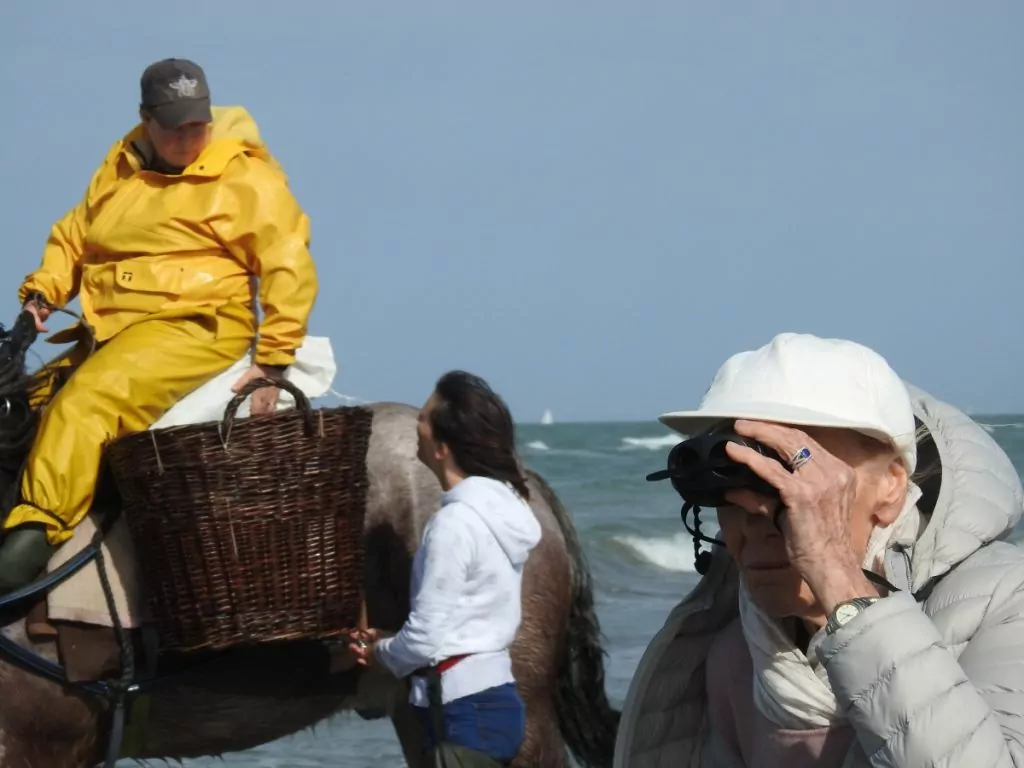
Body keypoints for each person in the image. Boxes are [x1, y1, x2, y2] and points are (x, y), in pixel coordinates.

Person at [614, 332, 1024, 767]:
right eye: (735, 479)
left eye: (796, 476)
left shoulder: (1004, 602)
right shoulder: (737, 654)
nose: (756, 516)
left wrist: (838, 580)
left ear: (890, 486)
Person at [0, 58, 317, 591]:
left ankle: (29, 543)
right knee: (22, 405)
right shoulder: (120, 166)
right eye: (175, 125)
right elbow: (76, 238)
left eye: (198, 122)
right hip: (111, 329)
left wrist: (274, 358)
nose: (189, 136)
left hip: (196, 325)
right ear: (146, 117)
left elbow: (289, 264)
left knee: (85, 406)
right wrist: (39, 300)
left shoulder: (246, 177)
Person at [347, 370, 542, 765]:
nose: (416, 425)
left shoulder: (455, 524)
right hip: (491, 702)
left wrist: (379, 652)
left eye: (422, 417)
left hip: (460, 711)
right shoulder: (502, 511)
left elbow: (424, 640)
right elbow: (464, 617)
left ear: (441, 447)